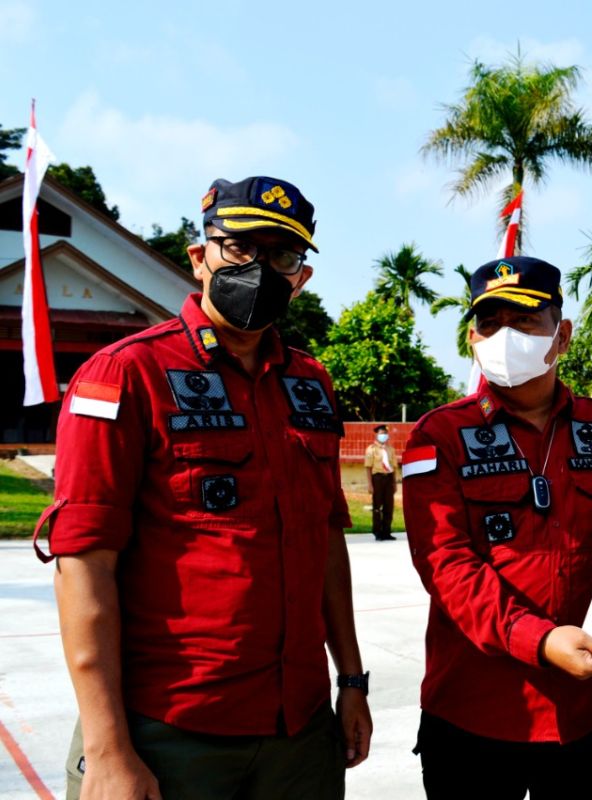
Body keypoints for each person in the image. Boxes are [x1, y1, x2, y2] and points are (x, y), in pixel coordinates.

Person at [35, 176, 371, 800]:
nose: (260, 268)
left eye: (282, 256)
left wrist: (350, 682)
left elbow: (325, 539)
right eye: (240, 248)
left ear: (301, 277)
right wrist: (109, 751)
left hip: (298, 733)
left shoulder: (310, 385)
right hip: (169, 733)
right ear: (199, 257)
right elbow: (83, 563)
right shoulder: (126, 375)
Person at [402, 256, 592, 800]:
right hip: (476, 715)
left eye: (527, 320)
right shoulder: (438, 436)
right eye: (491, 323)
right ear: (472, 338)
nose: (506, 335)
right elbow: (447, 567)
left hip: (589, 713)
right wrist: (541, 639)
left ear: (563, 335)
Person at [364, 423, 398, 541]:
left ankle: (387, 531)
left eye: (385, 433)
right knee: (377, 506)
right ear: (377, 435)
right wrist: (370, 484)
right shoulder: (371, 449)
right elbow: (368, 467)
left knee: (389, 506)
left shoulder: (390, 450)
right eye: (381, 433)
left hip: (388, 478)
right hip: (377, 478)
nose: (383, 435)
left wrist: (394, 483)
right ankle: (377, 531)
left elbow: (393, 467)